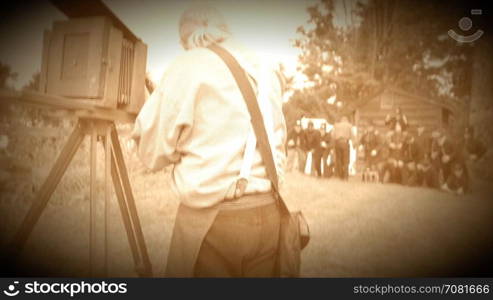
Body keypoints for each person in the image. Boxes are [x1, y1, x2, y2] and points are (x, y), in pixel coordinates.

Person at [131, 4, 287, 277]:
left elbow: (151, 152)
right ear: (224, 29)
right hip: (269, 212)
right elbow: (279, 140)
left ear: (185, 38)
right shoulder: (266, 70)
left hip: (214, 224)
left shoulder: (188, 66)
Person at [331, 115, 354, 180]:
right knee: (346, 160)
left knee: (339, 160)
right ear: (346, 120)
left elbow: (332, 135)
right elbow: (352, 135)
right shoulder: (349, 126)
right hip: (345, 143)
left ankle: (340, 176)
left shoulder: (336, 125)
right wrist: (354, 144)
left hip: (337, 143)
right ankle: (345, 177)